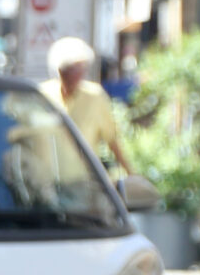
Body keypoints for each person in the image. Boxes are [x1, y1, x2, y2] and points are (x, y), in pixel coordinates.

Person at [41, 35, 135, 175]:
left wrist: (131, 174)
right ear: (59, 70)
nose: (77, 74)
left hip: (82, 180)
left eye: (81, 68)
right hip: (45, 179)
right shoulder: (43, 94)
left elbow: (112, 139)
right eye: (71, 69)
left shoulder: (94, 96)